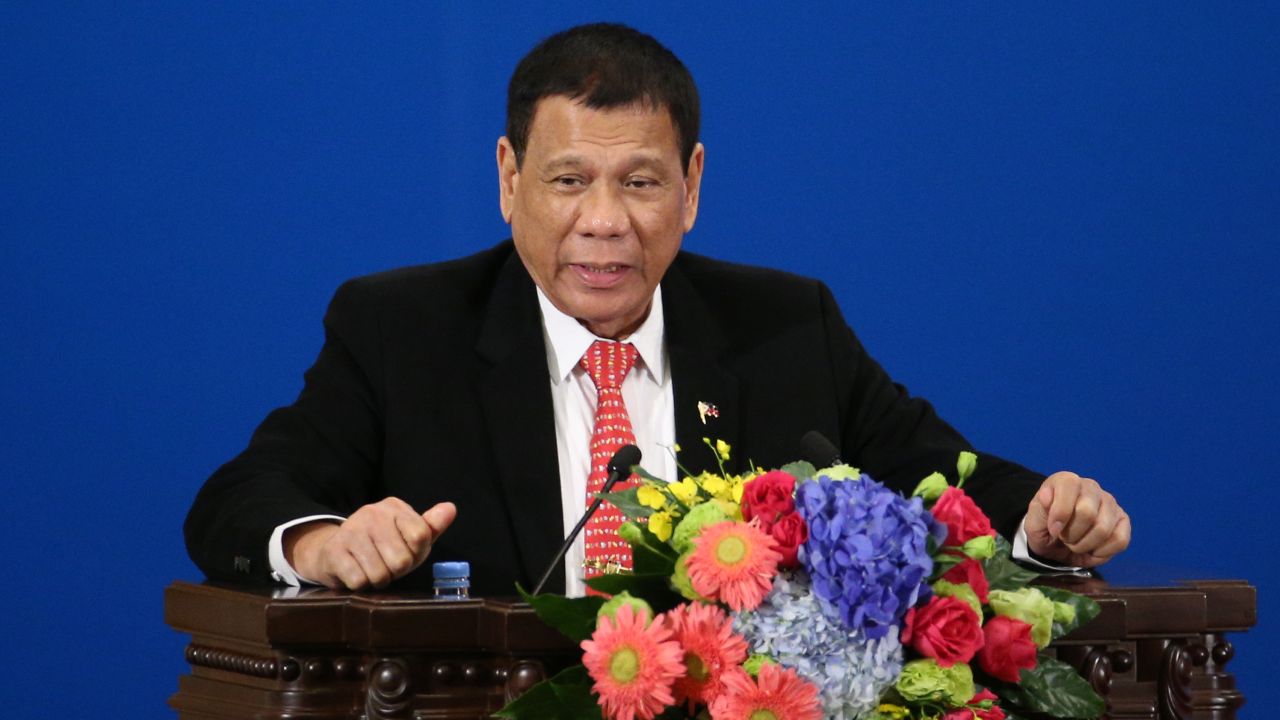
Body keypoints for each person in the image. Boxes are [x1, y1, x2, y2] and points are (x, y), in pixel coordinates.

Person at [185, 23, 1130, 598]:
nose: (604, 222)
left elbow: (940, 475)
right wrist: (319, 540)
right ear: (509, 181)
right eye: (568, 180)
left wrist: (1043, 525)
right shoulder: (400, 329)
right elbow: (237, 501)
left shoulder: (787, 324)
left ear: (692, 187)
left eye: (641, 181)